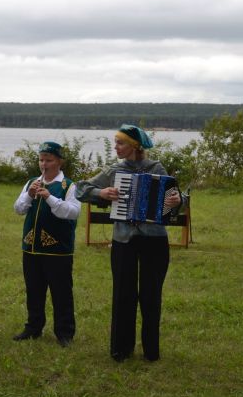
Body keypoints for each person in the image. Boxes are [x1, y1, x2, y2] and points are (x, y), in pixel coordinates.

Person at [75, 124, 184, 362]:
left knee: (151, 295)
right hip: (123, 240)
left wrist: (177, 199)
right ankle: (120, 350)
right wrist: (101, 194)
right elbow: (81, 190)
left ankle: (151, 352)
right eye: (115, 143)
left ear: (134, 146)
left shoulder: (156, 168)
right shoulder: (114, 171)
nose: (116, 147)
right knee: (122, 293)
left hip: (154, 240)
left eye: (120, 143)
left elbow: (176, 198)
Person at [13, 141, 80, 347]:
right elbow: (18, 209)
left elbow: (72, 212)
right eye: (41, 159)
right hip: (31, 246)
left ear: (59, 162)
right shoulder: (31, 182)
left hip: (58, 249)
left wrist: (50, 198)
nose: (44, 164)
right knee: (33, 290)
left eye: (49, 160)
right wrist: (29, 195)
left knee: (61, 292)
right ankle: (33, 327)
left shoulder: (68, 185)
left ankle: (64, 332)